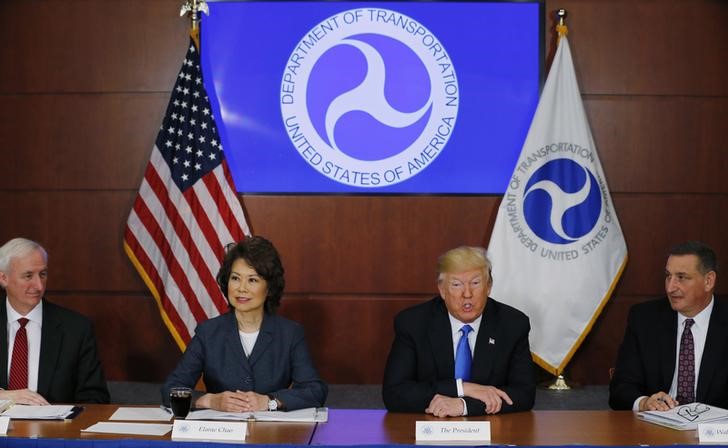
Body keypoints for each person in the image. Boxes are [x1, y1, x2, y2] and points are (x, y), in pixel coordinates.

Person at [162, 236, 327, 412]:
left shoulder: (290, 333)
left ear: (269, 287)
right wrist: (210, 401)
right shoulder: (208, 332)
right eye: (235, 278)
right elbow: (170, 390)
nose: (241, 288)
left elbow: (315, 391)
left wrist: (269, 402)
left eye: (252, 280)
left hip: (270, 434)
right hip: (220, 433)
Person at [382, 246, 535, 416]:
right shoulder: (413, 323)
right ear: (442, 290)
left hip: (492, 431)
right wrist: (463, 388)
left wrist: (464, 405)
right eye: (456, 284)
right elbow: (394, 393)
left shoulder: (512, 324)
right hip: (429, 429)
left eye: (476, 283)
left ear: (489, 286)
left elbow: (524, 394)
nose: (467, 294)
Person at [610, 241, 728, 411]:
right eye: (668, 276)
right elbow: (620, 389)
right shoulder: (645, 319)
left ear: (708, 281)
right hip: (656, 429)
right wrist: (644, 402)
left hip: (716, 431)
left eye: (681, 277)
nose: (670, 287)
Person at [0, 238, 109, 404]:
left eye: (42, 274)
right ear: (3, 278)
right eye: (28, 276)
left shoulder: (76, 329)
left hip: (53, 429)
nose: (38, 286)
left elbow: (95, 399)